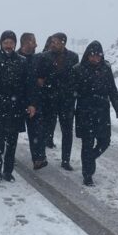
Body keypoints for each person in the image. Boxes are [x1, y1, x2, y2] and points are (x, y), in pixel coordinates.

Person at [0, 30, 36, 182]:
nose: (8, 45)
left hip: (16, 107)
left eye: (11, 42)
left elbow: (28, 85)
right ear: (1, 43)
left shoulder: (22, 61)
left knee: (12, 142)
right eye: (6, 42)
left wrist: (31, 103)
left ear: (15, 44)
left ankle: (8, 171)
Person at [73, 41, 118, 186]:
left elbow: (112, 90)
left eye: (98, 56)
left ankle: (90, 159)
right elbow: (71, 92)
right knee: (87, 143)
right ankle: (87, 174)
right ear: (88, 55)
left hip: (102, 111)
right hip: (85, 111)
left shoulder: (106, 69)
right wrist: (69, 110)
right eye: (92, 55)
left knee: (105, 141)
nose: (95, 58)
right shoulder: (78, 69)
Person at [36, 32, 79, 171]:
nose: (52, 44)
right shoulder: (44, 57)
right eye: (51, 42)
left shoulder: (73, 57)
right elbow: (40, 78)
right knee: (45, 128)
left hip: (67, 101)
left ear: (63, 43)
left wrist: (72, 94)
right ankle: (41, 156)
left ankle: (65, 160)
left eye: (55, 42)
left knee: (67, 131)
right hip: (49, 99)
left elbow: (75, 77)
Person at [17, 32, 47, 169]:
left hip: (35, 100)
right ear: (26, 43)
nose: (36, 44)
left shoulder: (38, 59)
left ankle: (38, 158)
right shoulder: (15, 58)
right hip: (16, 100)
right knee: (11, 131)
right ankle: (6, 156)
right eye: (33, 41)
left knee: (37, 131)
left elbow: (42, 79)